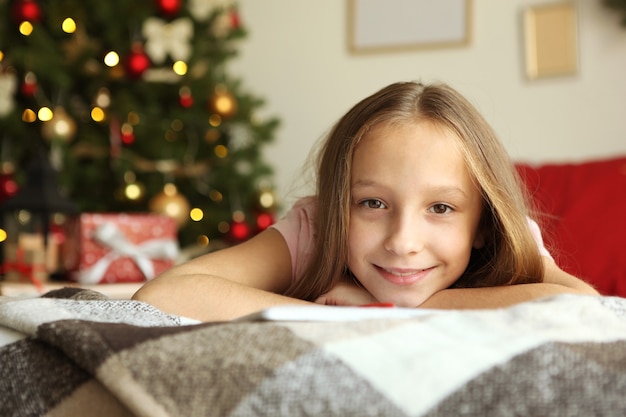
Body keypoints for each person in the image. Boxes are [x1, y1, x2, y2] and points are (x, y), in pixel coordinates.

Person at [132, 81, 598, 321]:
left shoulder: (503, 231)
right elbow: (164, 293)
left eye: (440, 208)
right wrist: (328, 318)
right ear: (339, 202)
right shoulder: (317, 228)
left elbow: (581, 305)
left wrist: (403, 313)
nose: (403, 242)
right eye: (373, 204)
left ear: (481, 225)